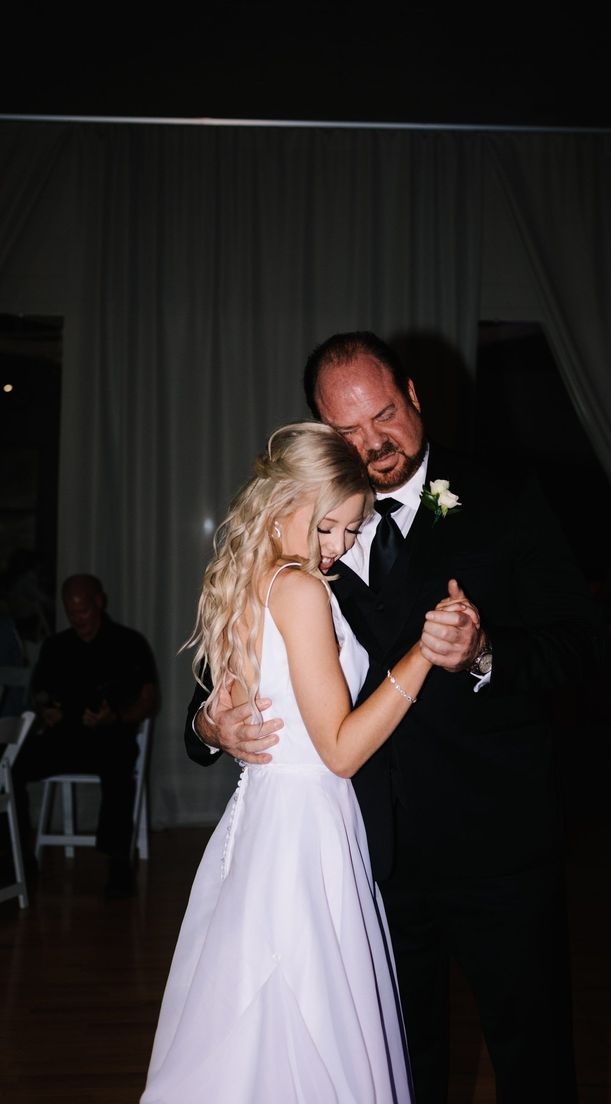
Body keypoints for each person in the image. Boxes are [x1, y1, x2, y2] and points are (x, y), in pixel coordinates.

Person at [186, 333, 606, 1103]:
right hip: (364, 864)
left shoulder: (506, 496)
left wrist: (484, 652)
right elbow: (225, 677)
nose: (372, 443)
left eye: (384, 416)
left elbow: (581, 648)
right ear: (317, 427)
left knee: (534, 1062)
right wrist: (214, 727)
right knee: (392, 1073)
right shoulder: (305, 525)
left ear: (414, 395)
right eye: (347, 432)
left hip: (498, 852)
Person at [142, 422, 465, 1103]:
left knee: (265, 1025)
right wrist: (424, 657)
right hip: (304, 826)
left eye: (352, 532)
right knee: (306, 1018)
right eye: (331, 528)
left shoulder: (248, 575)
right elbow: (341, 750)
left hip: (266, 819)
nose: (341, 548)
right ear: (287, 502)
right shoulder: (299, 589)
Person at [13, 574, 158, 897]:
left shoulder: (128, 643)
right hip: (65, 739)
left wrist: (117, 716)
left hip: (111, 737)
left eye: (84, 612)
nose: (79, 619)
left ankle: (118, 862)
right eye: (72, 612)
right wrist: (46, 709)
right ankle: (19, 858)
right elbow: (38, 693)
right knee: (12, 765)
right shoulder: (56, 646)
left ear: (99, 603)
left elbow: (149, 700)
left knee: (119, 763)